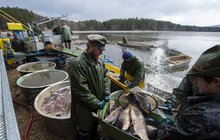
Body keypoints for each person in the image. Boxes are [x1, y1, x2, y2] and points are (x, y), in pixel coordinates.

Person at [157, 45, 220, 139]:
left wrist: (164, 127)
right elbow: (180, 92)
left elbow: (170, 136)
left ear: (216, 81)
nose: (194, 81)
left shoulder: (203, 116)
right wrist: (171, 102)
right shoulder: (200, 77)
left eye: (197, 79)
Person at [68, 34, 110, 140]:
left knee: (94, 126)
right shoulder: (77, 63)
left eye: (102, 49)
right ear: (90, 46)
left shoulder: (99, 61)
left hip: (97, 104)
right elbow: (80, 90)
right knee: (84, 129)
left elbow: (105, 77)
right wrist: (97, 103)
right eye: (99, 49)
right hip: (84, 107)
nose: (102, 52)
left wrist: (106, 92)